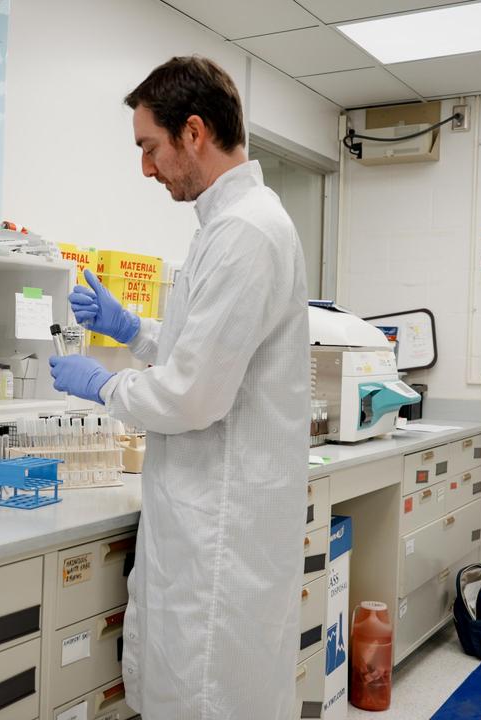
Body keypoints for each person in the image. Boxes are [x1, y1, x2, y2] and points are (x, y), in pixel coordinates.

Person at [48, 56, 310, 720]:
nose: (145, 168)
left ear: (193, 132)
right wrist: (133, 329)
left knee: (207, 696)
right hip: (208, 512)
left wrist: (106, 389)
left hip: (220, 526)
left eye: (149, 147)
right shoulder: (233, 224)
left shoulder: (246, 231)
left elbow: (193, 394)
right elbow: (211, 351)